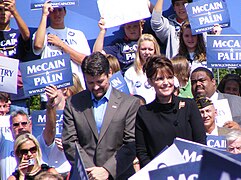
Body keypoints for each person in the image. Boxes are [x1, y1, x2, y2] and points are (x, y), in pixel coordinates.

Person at [62, 52, 140, 179]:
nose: (96, 87)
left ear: (109, 73)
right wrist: (90, 172)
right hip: (85, 176)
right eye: (91, 83)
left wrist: (107, 170)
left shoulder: (129, 104)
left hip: (119, 175)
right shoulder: (73, 103)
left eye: (100, 81)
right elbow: (70, 142)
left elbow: (131, 144)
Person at [135, 55, 206, 168]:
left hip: (189, 171)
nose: (166, 83)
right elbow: (142, 152)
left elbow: (200, 143)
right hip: (158, 173)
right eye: (159, 79)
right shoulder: (144, 113)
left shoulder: (189, 106)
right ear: (150, 81)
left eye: (169, 77)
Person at [33, 0, 90, 108]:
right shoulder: (42, 33)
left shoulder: (78, 35)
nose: (57, 14)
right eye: (54, 10)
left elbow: (86, 61)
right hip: (51, 93)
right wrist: (44, 15)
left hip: (75, 91)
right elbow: (38, 47)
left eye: (60, 10)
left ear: (65, 12)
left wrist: (62, 45)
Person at [124, 34, 160, 104]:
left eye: (150, 49)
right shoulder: (130, 72)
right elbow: (127, 96)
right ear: (138, 51)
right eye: (143, 49)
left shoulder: (162, 69)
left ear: (155, 50)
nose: (147, 52)